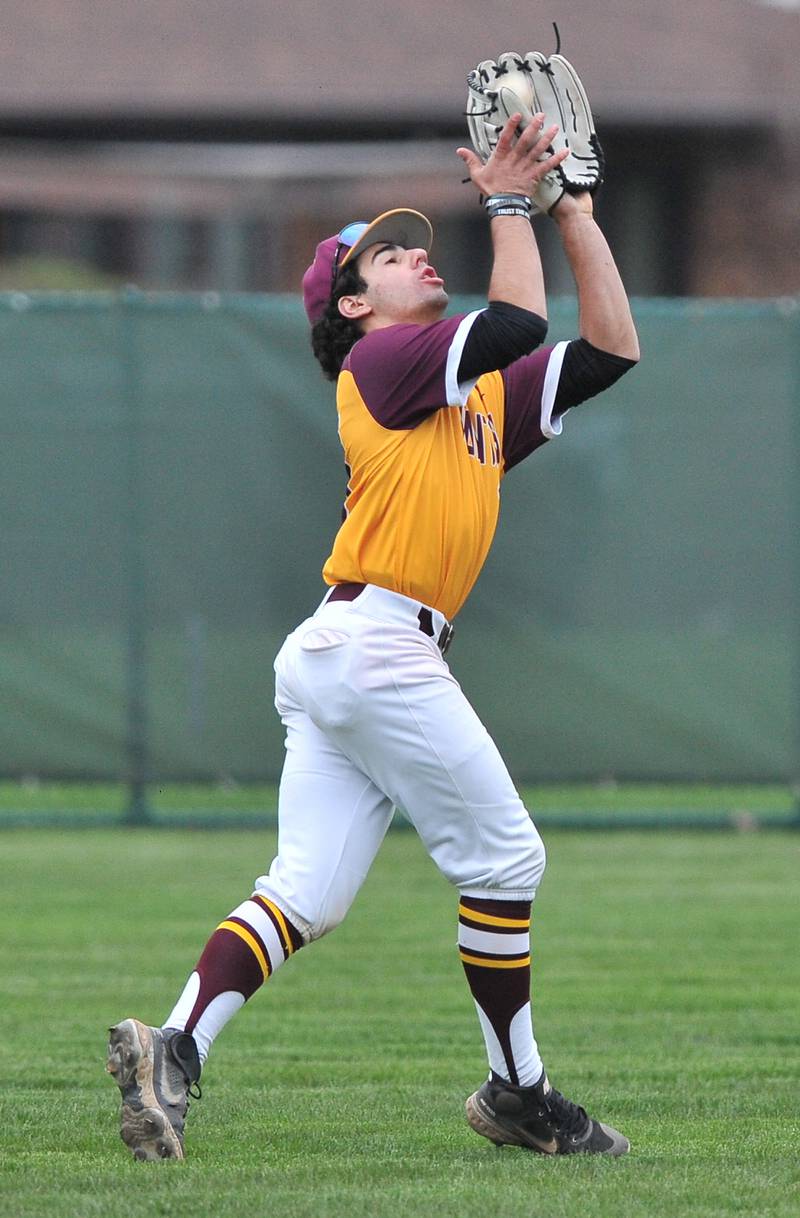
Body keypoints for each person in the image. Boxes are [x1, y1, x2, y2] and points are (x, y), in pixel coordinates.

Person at [106, 111, 640, 1161]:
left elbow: (610, 348)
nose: (412, 255)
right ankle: (517, 1094)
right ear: (353, 306)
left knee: (304, 891)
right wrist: (502, 200)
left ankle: (173, 1048)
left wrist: (569, 207)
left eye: (412, 242)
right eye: (385, 256)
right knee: (504, 856)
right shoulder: (383, 363)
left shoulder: (465, 394)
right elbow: (520, 325)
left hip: (344, 650)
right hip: (376, 647)